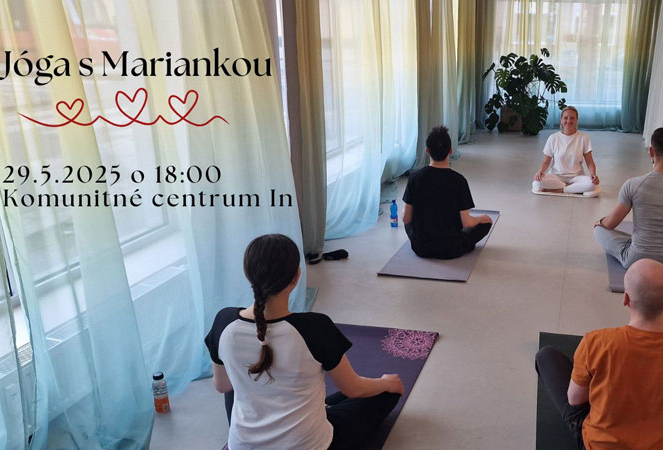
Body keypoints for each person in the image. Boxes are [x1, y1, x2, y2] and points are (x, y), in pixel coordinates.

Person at [205, 234, 404, 450]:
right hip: (311, 445)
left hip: (243, 446)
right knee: (385, 393)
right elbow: (354, 388)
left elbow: (222, 385)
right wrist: (386, 383)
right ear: (296, 276)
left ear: (248, 275)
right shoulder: (315, 328)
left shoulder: (224, 321)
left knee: (237, 381)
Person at [535, 259, 663, 450]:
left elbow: (575, 399)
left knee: (545, 356)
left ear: (626, 299)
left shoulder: (596, 342)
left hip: (600, 445)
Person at [593, 127, 663, 275]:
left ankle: (636, 242)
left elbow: (611, 224)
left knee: (599, 230)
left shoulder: (632, 185)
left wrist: (601, 222)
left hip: (635, 259)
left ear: (651, 151)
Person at [402, 125, 493, 259]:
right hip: (451, 248)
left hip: (421, 248)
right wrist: (481, 218)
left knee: (408, 221)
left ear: (427, 151)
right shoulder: (459, 181)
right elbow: (467, 223)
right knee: (486, 223)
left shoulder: (414, 178)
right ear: (450, 151)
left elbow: (406, 219)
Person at [532, 106, 600, 195]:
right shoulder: (553, 138)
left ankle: (559, 190)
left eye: (572, 118)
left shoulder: (584, 138)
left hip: (576, 177)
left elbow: (590, 162)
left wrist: (593, 175)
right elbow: (546, 161)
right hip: (556, 176)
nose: (568, 121)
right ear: (561, 120)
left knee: (592, 184)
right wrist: (540, 172)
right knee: (536, 183)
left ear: (576, 120)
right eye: (565, 118)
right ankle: (571, 188)